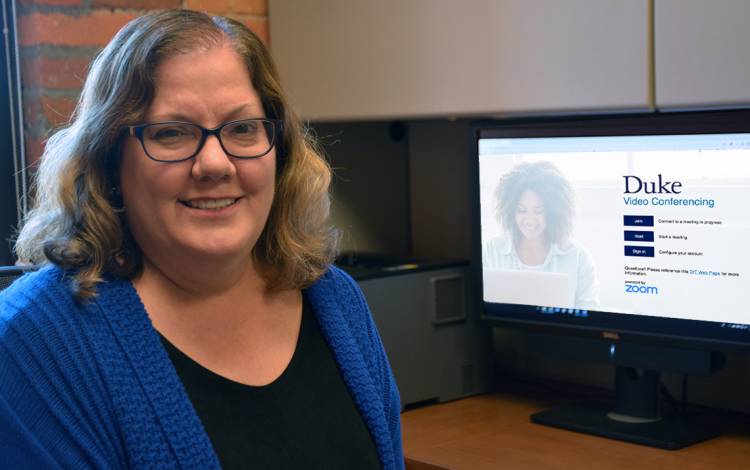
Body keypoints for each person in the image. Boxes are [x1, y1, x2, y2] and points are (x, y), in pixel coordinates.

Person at [0, 10, 403, 470]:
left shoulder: (336, 301)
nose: (215, 164)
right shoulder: (32, 347)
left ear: (280, 149)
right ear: (109, 162)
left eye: (243, 128)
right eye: (171, 133)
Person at [483, 160, 599, 308]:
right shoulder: (492, 250)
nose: (530, 220)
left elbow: (589, 310)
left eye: (539, 211)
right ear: (510, 210)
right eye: (521, 210)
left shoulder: (577, 256)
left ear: (553, 211)